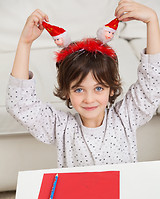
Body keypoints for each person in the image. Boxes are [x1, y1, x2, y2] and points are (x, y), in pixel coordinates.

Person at [6, 0, 160, 168]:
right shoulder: (62, 127)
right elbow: (21, 104)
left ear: (111, 87)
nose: (89, 98)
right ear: (67, 92)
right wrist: (25, 43)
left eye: (98, 88)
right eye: (79, 89)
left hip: (121, 192)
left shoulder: (126, 117)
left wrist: (152, 20)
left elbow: (152, 81)